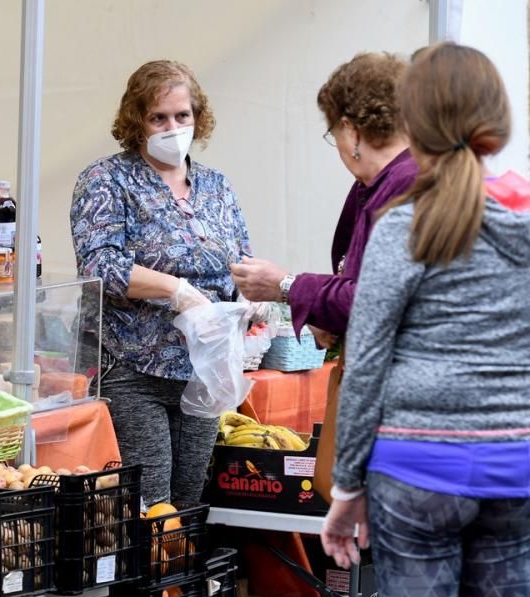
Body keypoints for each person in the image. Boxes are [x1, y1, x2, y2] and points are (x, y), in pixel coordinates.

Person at [321, 43, 530, 597]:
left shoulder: (401, 227)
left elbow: (367, 367)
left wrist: (347, 487)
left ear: (413, 122)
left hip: (413, 470)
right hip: (515, 463)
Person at [69, 60, 252, 506]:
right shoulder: (106, 180)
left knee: (188, 502)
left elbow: (240, 256)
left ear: (197, 117)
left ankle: (181, 577)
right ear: (137, 121)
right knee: (151, 507)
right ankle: (150, 578)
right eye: (159, 117)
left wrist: (252, 296)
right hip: (133, 370)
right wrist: (176, 290)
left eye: (182, 116)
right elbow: (100, 263)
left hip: (203, 371)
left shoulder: (216, 186)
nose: (173, 127)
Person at [230, 52, 416, 349]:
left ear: (352, 131)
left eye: (334, 134)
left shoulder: (404, 184)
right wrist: (327, 315)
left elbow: (374, 301)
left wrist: (286, 285)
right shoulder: (381, 183)